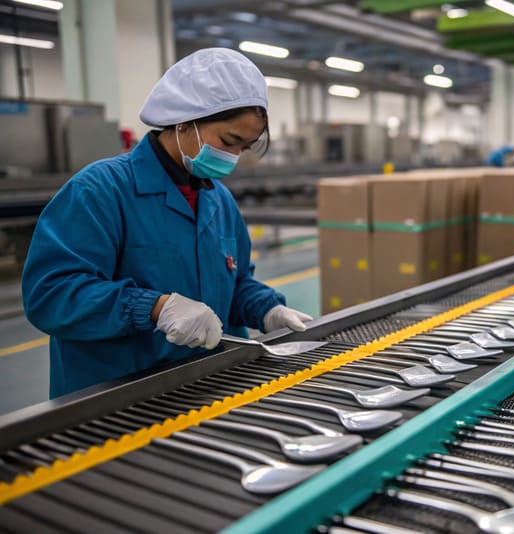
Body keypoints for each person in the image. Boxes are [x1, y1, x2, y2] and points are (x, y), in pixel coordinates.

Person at [22, 48, 312, 398]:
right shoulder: (100, 190)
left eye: (244, 148)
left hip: (207, 389)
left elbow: (234, 285)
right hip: (115, 402)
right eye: (228, 142)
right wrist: (155, 308)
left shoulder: (218, 200)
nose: (233, 158)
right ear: (184, 120)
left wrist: (267, 309)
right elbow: (51, 295)